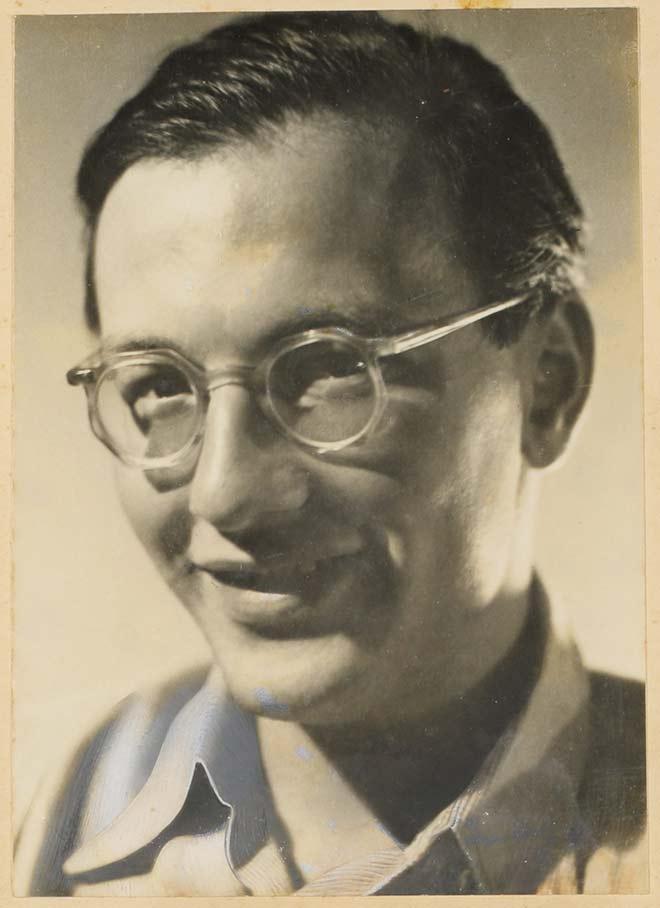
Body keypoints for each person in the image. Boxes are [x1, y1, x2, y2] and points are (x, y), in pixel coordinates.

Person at [14, 11, 646, 896]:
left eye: (327, 369)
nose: (225, 493)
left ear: (548, 382)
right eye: (157, 386)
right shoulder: (53, 813)